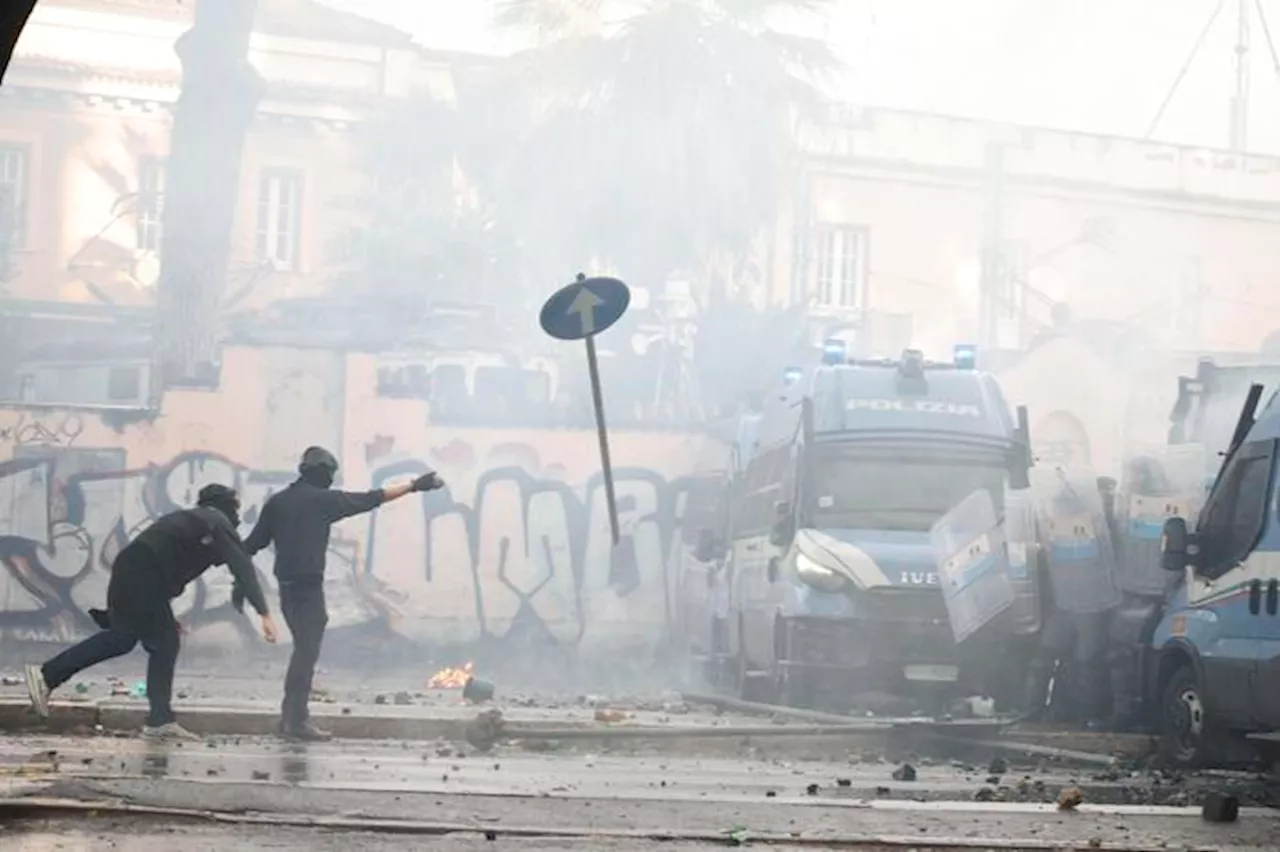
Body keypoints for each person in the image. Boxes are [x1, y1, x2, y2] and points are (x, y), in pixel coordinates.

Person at [24, 484, 277, 740]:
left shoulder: (194, 522)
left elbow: (168, 559)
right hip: (142, 575)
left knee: (156, 641)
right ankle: (49, 675)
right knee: (134, 639)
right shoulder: (215, 520)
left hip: (135, 571)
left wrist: (162, 611)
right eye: (235, 507)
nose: (236, 515)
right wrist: (264, 612)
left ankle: (159, 719)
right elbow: (241, 565)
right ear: (225, 505)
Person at [244, 446, 443, 741]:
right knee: (305, 653)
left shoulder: (278, 502)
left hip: (287, 589)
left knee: (303, 650)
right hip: (308, 589)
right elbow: (372, 498)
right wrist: (414, 486)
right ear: (324, 473)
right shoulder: (323, 500)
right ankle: (295, 721)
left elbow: (252, 544)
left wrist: (234, 574)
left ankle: (290, 718)